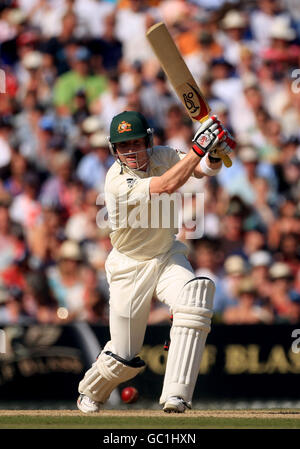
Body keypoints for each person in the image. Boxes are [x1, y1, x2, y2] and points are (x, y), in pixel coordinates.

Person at [77, 110, 235, 413]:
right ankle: (90, 390)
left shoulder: (163, 155)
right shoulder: (116, 183)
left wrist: (213, 155)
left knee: (194, 298)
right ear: (114, 150)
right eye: (124, 146)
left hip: (165, 254)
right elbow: (165, 185)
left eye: (137, 143)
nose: (132, 151)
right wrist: (200, 148)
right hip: (128, 266)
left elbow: (200, 169)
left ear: (148, 141)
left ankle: (177, 396)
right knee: (124, 356)